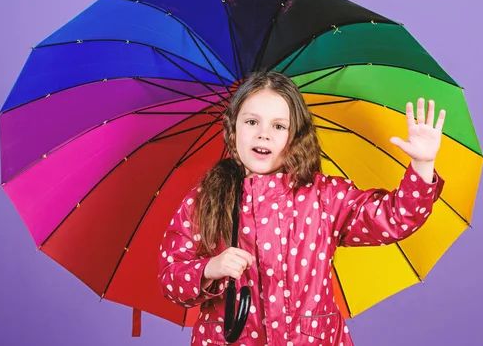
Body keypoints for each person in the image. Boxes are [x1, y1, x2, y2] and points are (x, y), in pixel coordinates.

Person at [159, 71, 446, 345]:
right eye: (251, 122)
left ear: (295, 137)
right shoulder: (206, 199)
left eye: (278, 126)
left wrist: (422, 165)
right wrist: (211, 268)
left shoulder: (324, 196)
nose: (263, 134)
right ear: (233, 130)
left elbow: (391, 218)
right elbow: (171, 277)